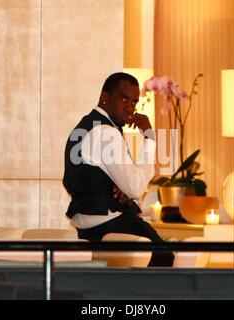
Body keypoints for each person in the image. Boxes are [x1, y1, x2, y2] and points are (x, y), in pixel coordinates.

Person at [63, 72, 174, 267]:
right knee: (168, 262)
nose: (130, 108)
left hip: (88, 231)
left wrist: (125, 191)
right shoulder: (107, 133)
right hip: (113, 226)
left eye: (133, 102)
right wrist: (150, 138)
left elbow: (102, 178)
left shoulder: (84, 127)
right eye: (124, 99)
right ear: (104, 98)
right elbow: (136, 187)